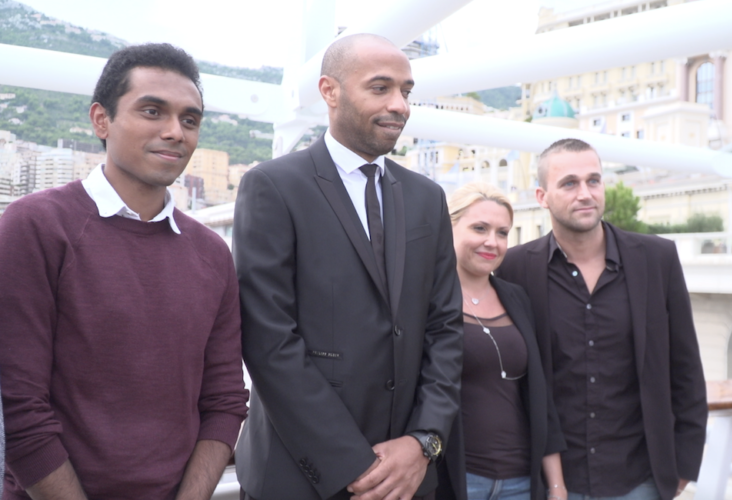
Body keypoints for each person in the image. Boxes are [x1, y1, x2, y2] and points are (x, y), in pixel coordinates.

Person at [0, 43, 249, 500]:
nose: (175, 132)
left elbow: (225, 400)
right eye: (152, 111)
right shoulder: (35, 227)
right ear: (101, 120)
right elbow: (17, 406)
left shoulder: (212, 255)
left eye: (190, 120)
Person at [233, 33, 463, 500]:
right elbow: (268, 339)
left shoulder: (427, 198)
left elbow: (445, 329)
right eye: (380, 87)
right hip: (300, 480)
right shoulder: (273, 186)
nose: (399, 105)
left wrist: (423, 443)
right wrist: (355, 465)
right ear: (329, 91)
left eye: (406, 91)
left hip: (409, 478)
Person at [496, 139, 707, 500]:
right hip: (553, 483)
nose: (585, 193)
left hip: (641, 479)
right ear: (542, 196)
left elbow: (685, 367)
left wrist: (684, 468)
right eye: (569, 183)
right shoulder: (514, 267)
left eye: (593, 180)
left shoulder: (657, 258)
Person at [437, 183, 566, 500]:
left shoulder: (516, 298)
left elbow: (539, 396)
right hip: (456, 480)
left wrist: (556, 485)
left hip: (520, 482)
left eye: (502, 233)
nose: (491, 242)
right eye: (479, 228)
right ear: (448, 228)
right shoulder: (427, 299)